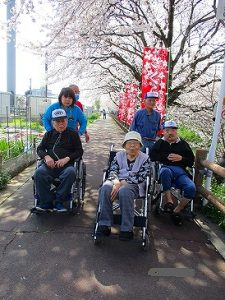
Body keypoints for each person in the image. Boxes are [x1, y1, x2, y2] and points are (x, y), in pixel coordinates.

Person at [96, 131, 151, 241]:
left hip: (135, 185)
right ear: (124, 145)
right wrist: (116, 181)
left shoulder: (145, 158)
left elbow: (142, 176)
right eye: (129, 143)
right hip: (116, 181)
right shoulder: (118, 156)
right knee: (105, 188)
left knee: (124, 191)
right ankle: (104, 225)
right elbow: (112, 170)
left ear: (140, 146)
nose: (132, 146)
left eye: (135, 143)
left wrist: (122, 183)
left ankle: (127, 229)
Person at [34, 108, 83, 212]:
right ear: (53, 122)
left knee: (71, 173)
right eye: (58, 121)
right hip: (49, 166)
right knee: (39, 173)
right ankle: (46, 202)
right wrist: (46, 157)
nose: (61, 124)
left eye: (63, 121)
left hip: (66, 166)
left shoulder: (73, 134)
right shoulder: (49, 134)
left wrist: (67, 158)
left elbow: (79, 151)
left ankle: (59, 201)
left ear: (67, 121)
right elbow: (40, 149)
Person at [150, 120, 196, 225]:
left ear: (176, 132)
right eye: (167, 130)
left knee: (191, 187)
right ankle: (169, 201)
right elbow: (152, 156)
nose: (170, 133)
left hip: (180, 172)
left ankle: (177, 210)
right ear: (164, 132)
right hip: (165, 168)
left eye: (173, 130)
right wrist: (165, 157)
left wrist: (181, 158)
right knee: (165, 171)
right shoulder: (160, 143)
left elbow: (190, 161)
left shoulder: (183, 144)